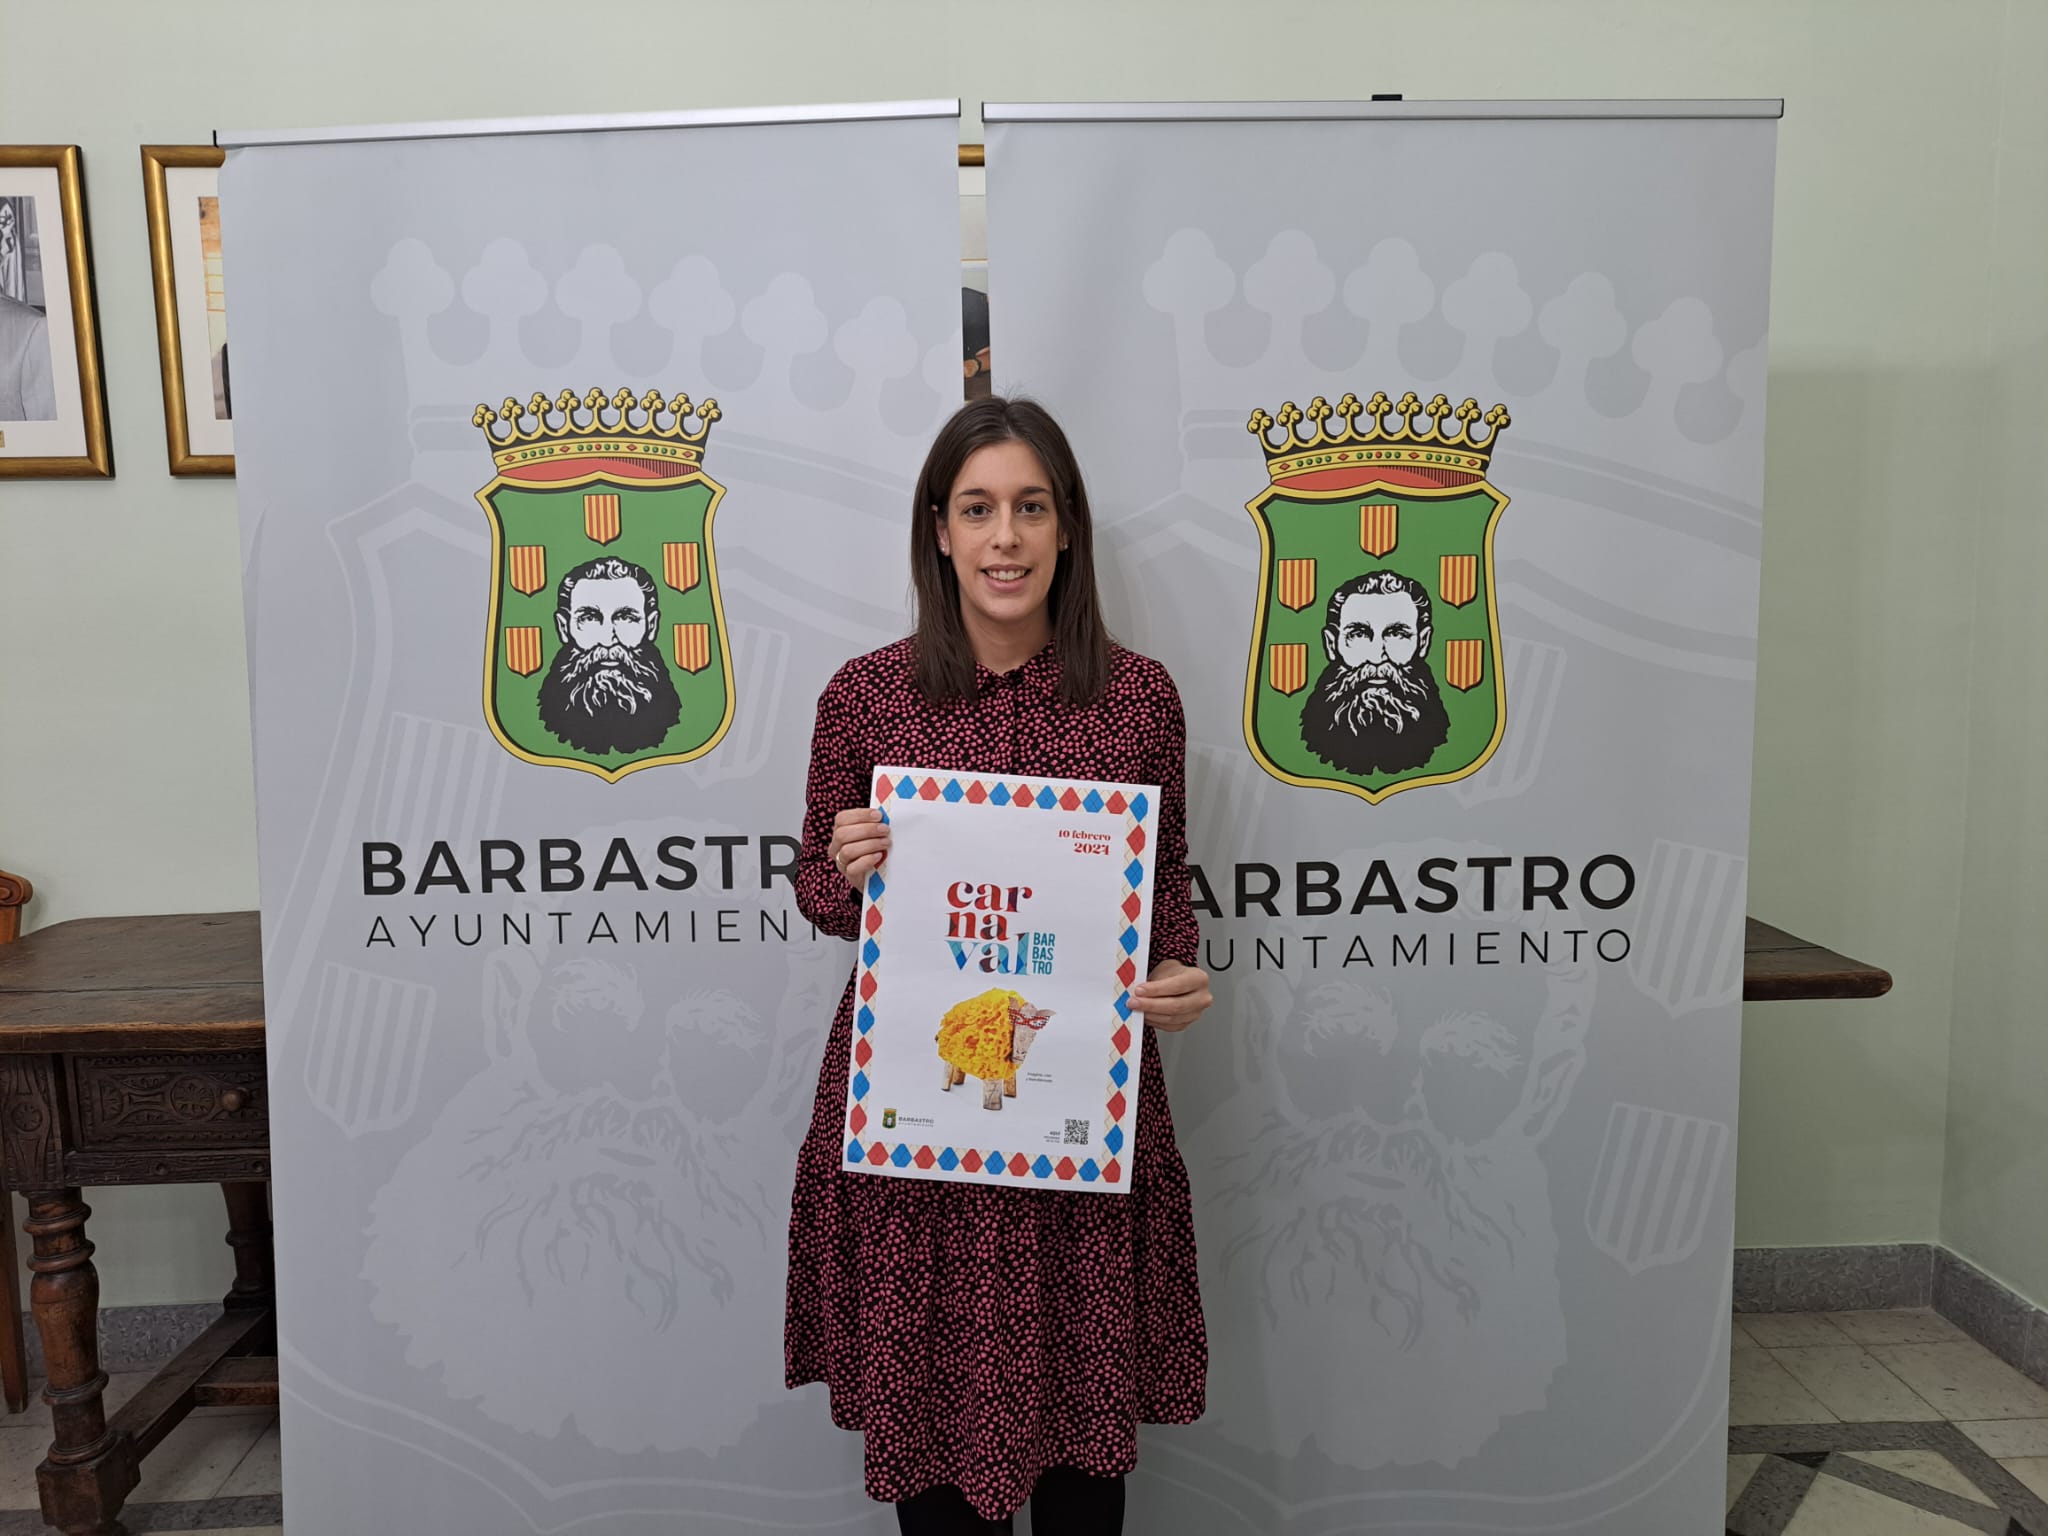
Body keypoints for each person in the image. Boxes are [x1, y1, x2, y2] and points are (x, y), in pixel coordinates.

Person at [785, 396, 1213, 1534]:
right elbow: (822, 898)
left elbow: (1164, 886)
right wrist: (843, 861)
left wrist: (1176, 974)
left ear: (1066, 527)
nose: (1005, 537)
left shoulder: (1136, 700)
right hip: (918, 1128)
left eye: (1030, 508)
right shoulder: (865, 697)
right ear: (938, 530)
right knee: (930, 1462)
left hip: (1078, 1115)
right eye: (977, 509)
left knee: (1083, 1461)